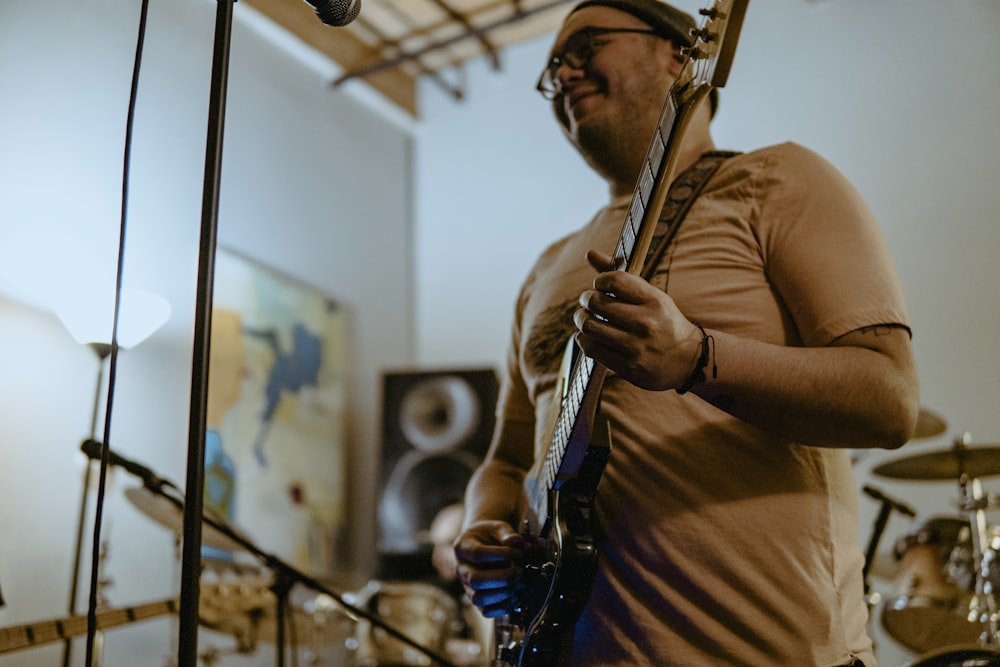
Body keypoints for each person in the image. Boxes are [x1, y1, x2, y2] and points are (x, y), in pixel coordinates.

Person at [452, 1, 920, 665]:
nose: (562, 70)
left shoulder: (777, 180)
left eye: (586, 45)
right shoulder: (545, 269)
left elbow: (890, 397)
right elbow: (503, 460)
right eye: (553, 64)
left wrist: (697, 358)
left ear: (680, 55)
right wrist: (483, 526)